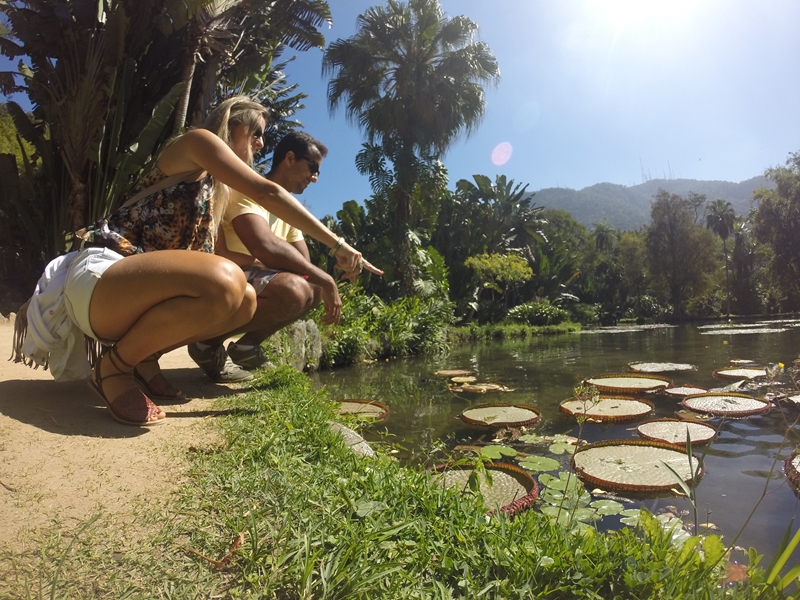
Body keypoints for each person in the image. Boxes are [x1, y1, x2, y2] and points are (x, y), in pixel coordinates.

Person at [19, 96, 380, 427]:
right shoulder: (198, 142)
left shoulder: (216, 193)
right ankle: (112, 369)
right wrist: (337, 245)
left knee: (243, 303)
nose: (261, 145)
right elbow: (268, 192)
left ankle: (144, 356)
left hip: (133, 296)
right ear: (234, 124)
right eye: (257, 133)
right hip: (104, 273)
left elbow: (225, 255)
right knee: (226, 280)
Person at [187, 131, 345, 380]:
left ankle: (246, 348)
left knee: (311, 287)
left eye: (319, 172)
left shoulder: (290, 208)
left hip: (258, 276)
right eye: (313, 167)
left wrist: (319, 279)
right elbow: (264, 246)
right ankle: (206, 344)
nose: (314, 178)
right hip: (227, 274)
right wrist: (326, 278)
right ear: (290, 159)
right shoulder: (249, 190)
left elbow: (302, 260)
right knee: (295, 289)